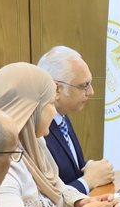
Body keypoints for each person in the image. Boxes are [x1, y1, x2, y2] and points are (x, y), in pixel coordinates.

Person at [0, 62, 120, 207]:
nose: (54, 113)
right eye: (51, 104)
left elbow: (56, 186)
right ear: (31, 109)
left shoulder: (35, 142)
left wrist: (81, 203)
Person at [37, 46, 115, 193]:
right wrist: (88, 181)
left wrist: (90, 167)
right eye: (84, 86)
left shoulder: (62, 116)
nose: (91, 92)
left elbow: (70, 171)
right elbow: (48, 196)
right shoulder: (39, 130)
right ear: (57, 89)